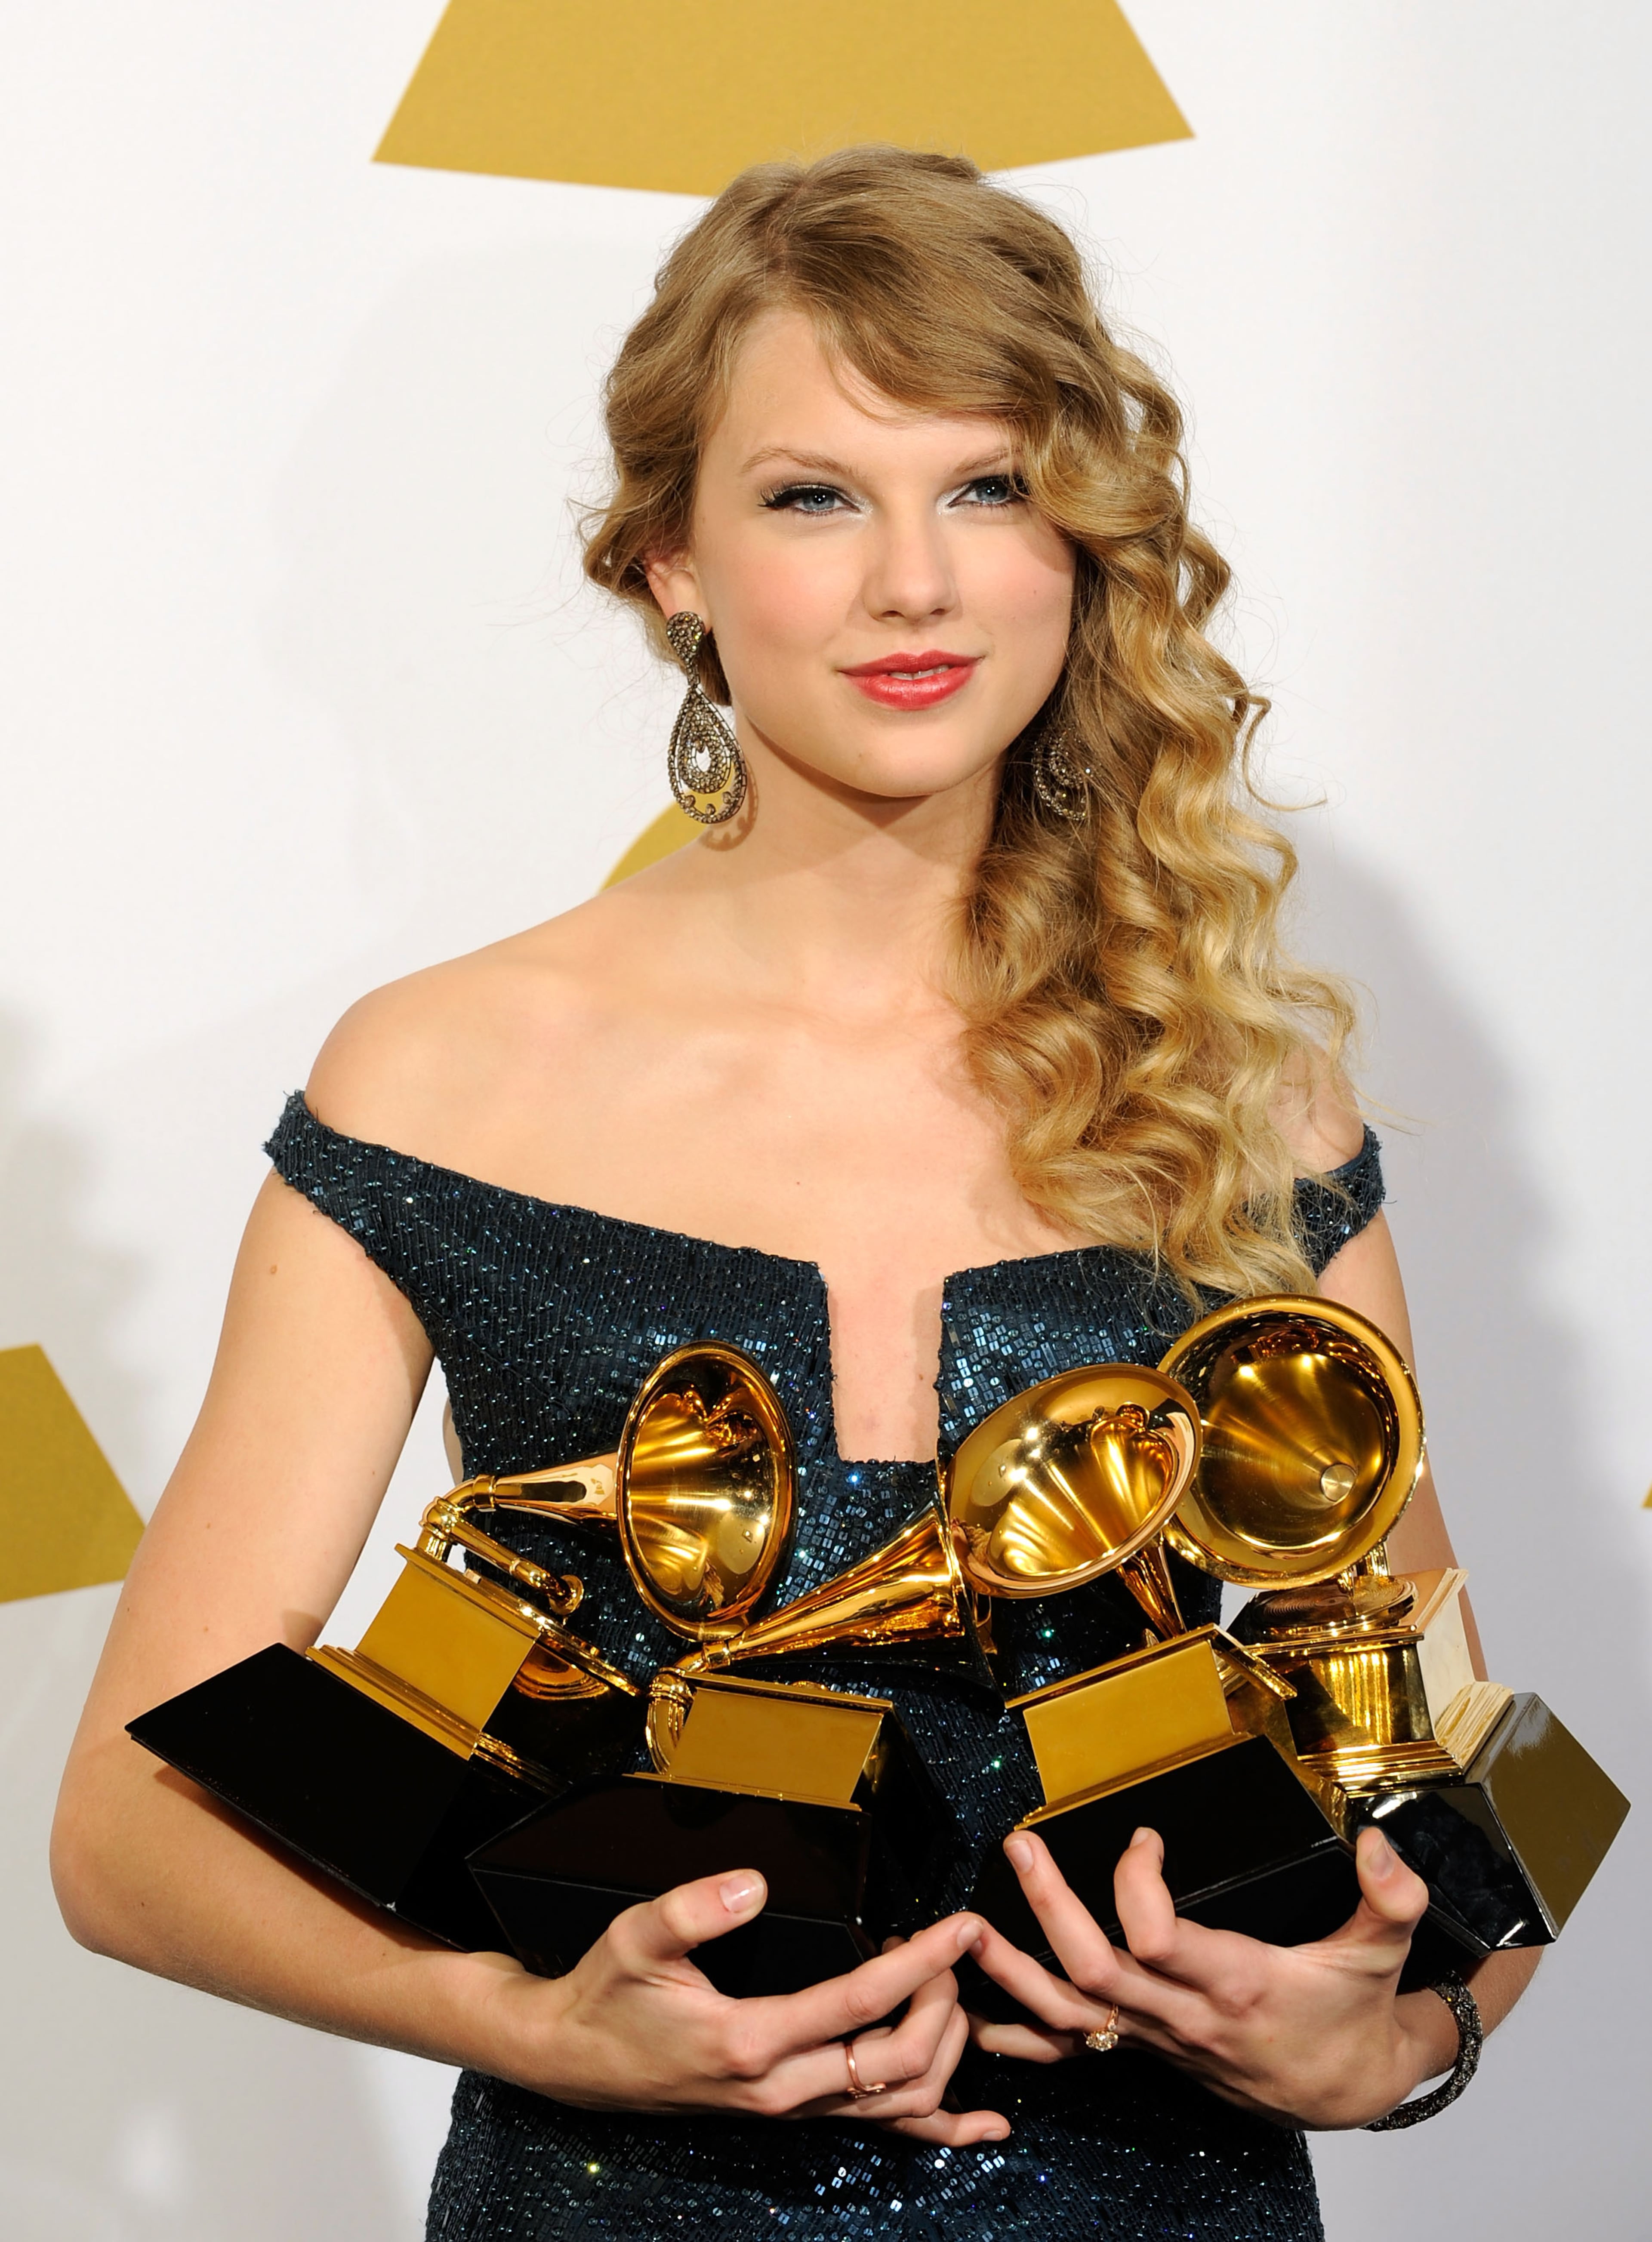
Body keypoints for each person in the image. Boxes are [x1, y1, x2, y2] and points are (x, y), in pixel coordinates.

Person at [52, 146, 1536, 2240]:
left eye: (990, 486)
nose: (913, 583)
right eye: (815, 496)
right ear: (671, 561)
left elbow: (1461, 1773)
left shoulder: (1244, 1087)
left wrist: (1387, 2047)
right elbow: (128, 1827)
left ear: (1085, 547)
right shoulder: (450, 1076)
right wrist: (537, 2022)